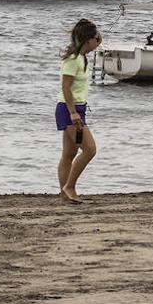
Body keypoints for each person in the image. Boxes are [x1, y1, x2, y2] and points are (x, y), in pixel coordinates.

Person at [57, 19, 102, 204]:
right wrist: (74, 113)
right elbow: (65, 87)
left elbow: (99, 40)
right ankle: (70, 187)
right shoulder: (73, 59)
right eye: (95, 38)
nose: (98, 41)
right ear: (88, 40)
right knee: (90, 149)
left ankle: (65, 193)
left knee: (69, 154)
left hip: (77, 109)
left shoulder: (82, 57)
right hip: (69, 111)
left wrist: (89, 26)